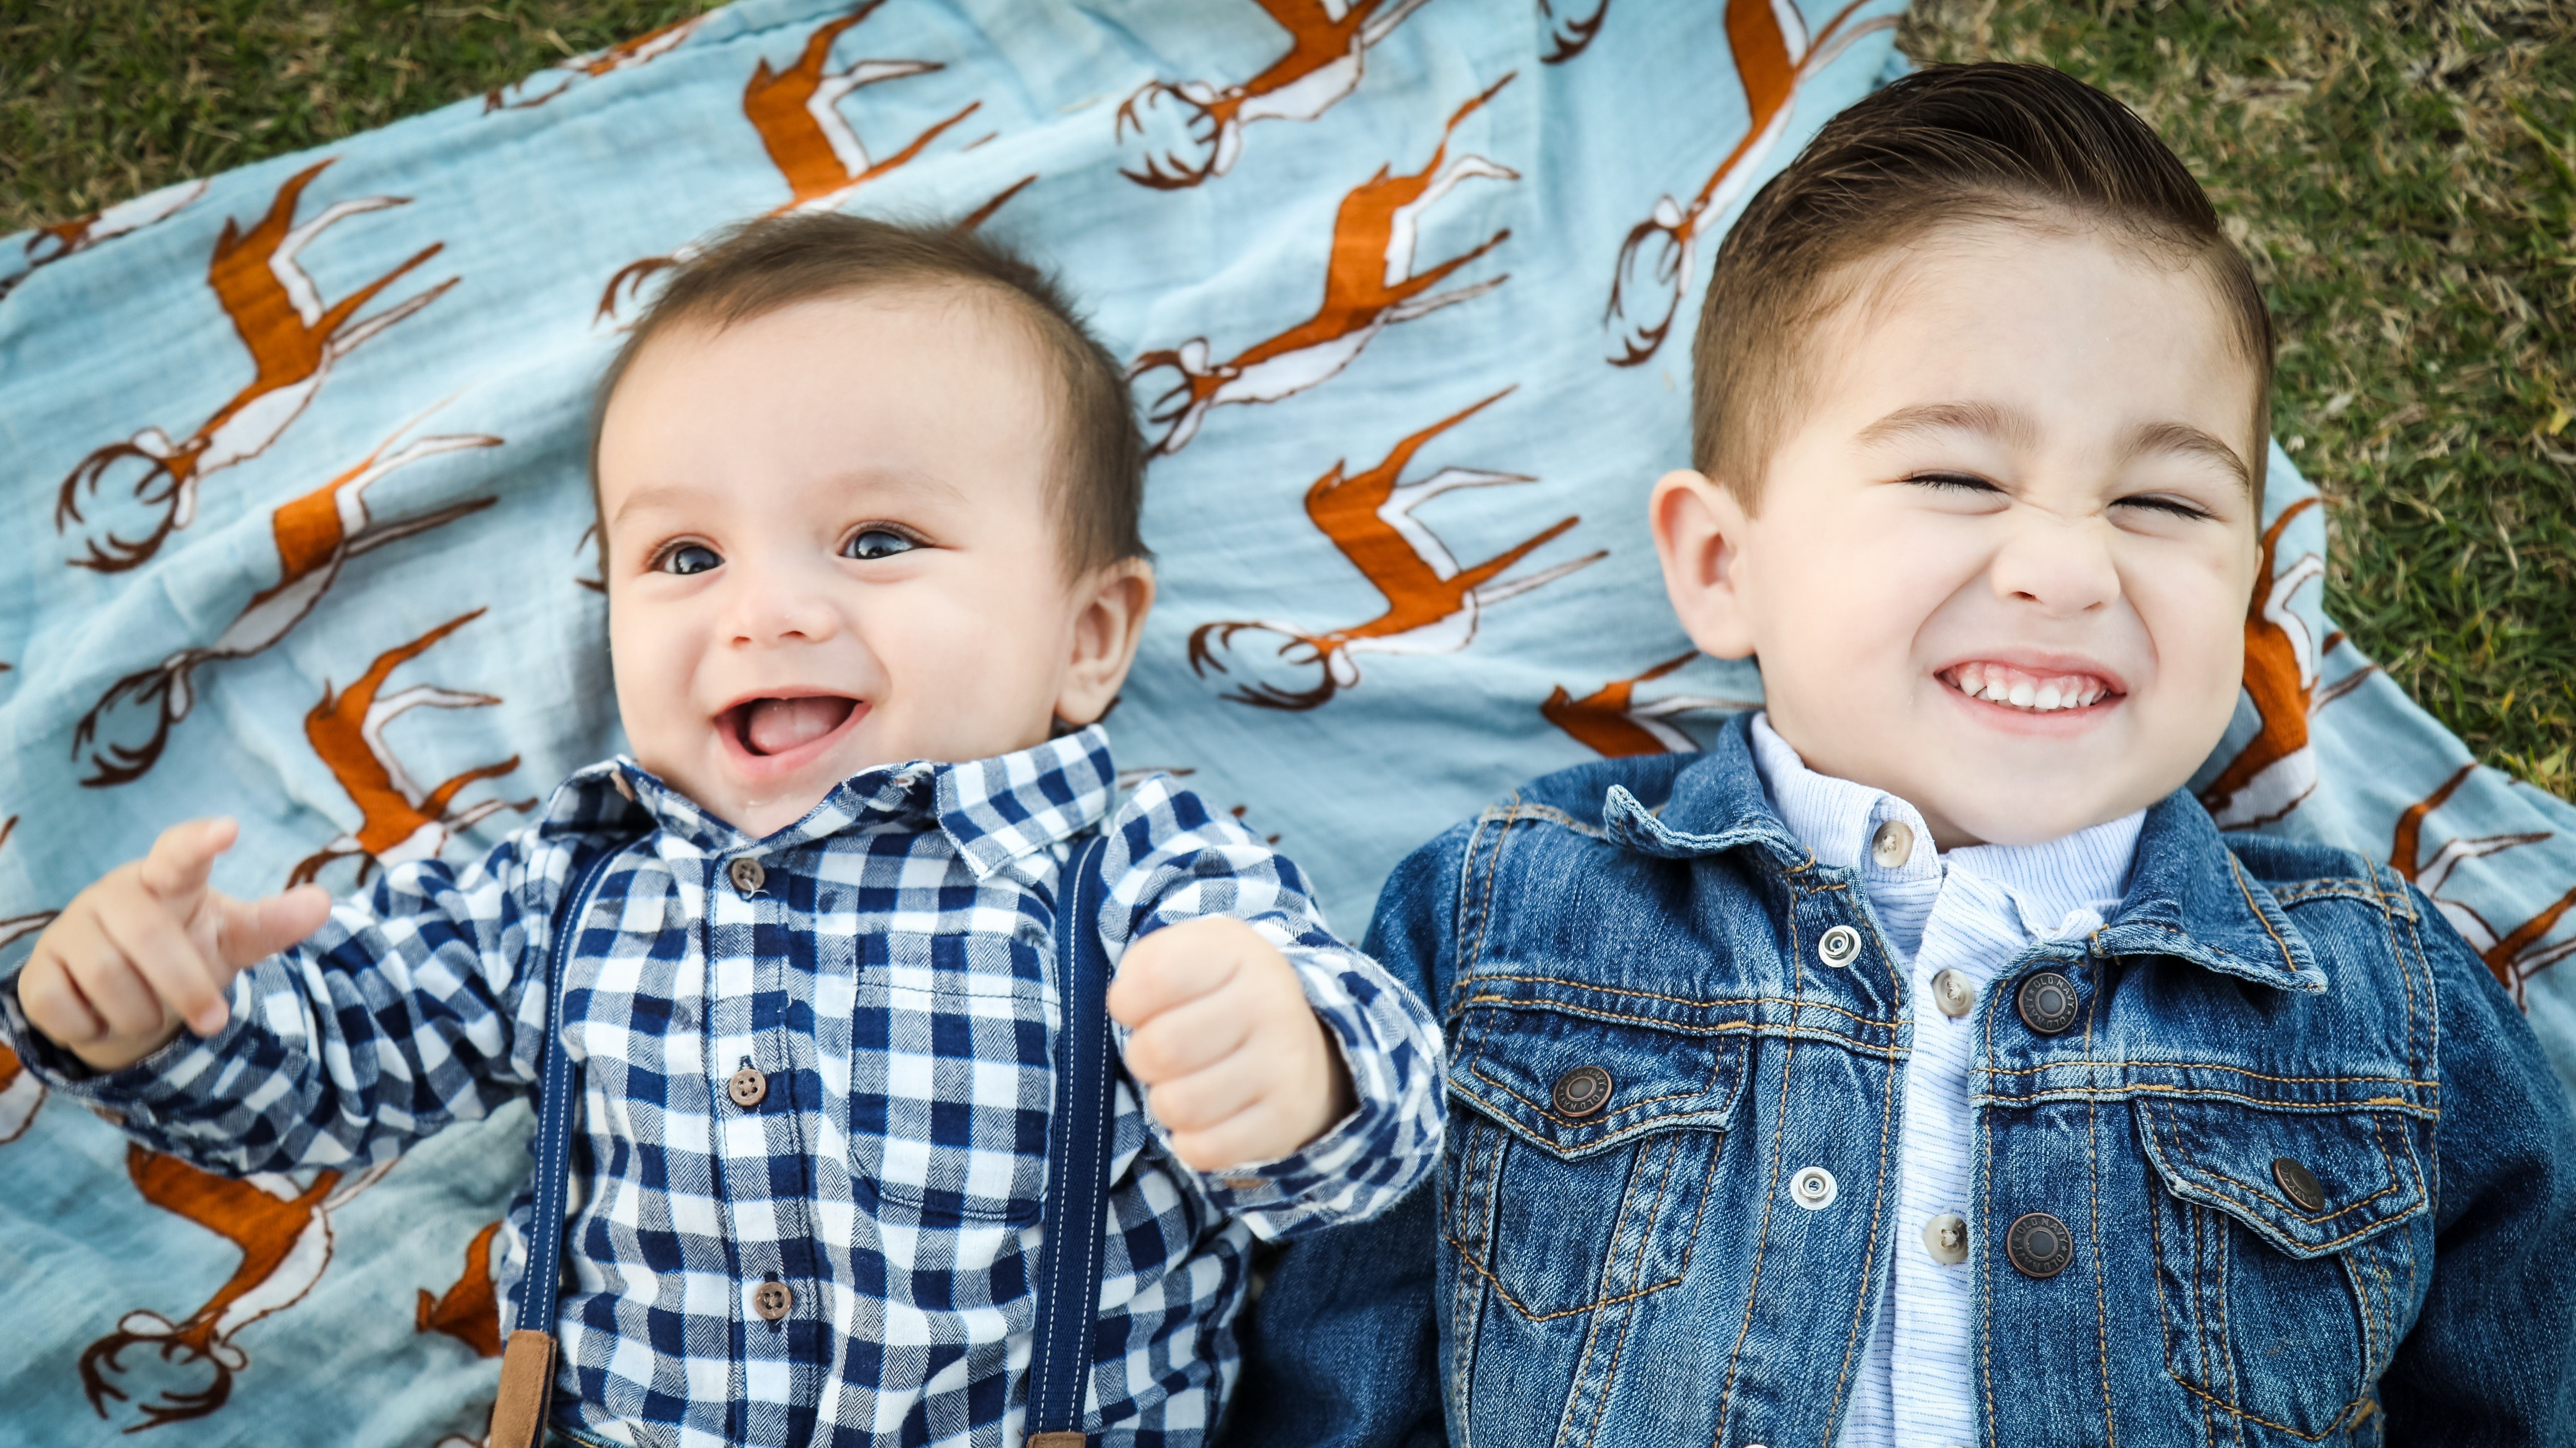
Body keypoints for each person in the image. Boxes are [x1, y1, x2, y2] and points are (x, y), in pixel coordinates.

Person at [1227, 62, 2576, 1447]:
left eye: (2165, 499)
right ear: (1721, 564)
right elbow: (1336, 1387)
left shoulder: (2386, 1001)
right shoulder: (1502, 919)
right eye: (1956, 476)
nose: (2065, 565)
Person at [3, 213, 1442, 1446]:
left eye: (877, 540)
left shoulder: (1137, 871)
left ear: (1088, 636)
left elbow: (1382, 1148)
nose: (764, 610)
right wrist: (160, 1016)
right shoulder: (572, 880)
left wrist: (1300, 1069)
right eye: (685, 556)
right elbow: (335, 1069)